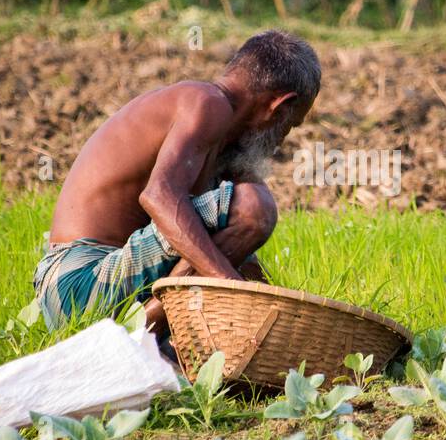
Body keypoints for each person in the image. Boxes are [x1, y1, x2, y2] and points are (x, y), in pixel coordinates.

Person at [33, 30, 320, 341]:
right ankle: (139, 337)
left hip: (89, 290)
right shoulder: (207, 104)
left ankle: (152, 339)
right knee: (254, 207)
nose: (280, 141)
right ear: (278, 107)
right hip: (78, 285)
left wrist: (281, 321)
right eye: (290, 125)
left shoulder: (219, 140)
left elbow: (232, 249)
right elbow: (159, 197)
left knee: (230, 226)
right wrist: (232, 289)